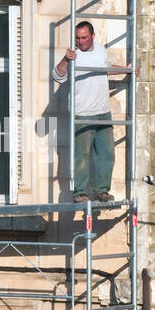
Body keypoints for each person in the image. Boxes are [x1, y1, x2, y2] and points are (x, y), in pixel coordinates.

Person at [52, 20, 114, 202]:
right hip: (82, 114)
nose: (80, 42)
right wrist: (65, 59)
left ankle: (102, 191)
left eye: (84, 38)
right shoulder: (73, 54)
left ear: (93, 36)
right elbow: (57, 76)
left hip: (103, 111)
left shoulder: (101, 50)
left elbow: (106, 69)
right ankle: (80, 193)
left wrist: (127, 70)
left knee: (106, 154)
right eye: (78, 38)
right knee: (82, 155)